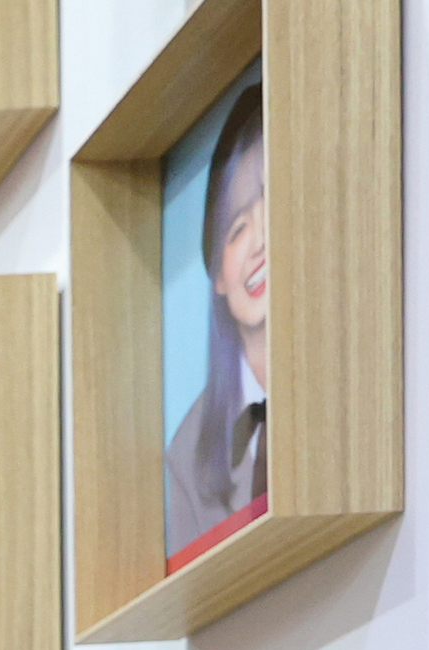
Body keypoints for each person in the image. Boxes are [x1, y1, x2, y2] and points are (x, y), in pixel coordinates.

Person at [163, 81, 268, 560]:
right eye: (238, 228)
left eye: (274, 208)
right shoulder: (184, 457)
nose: (259, 245)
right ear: (217, 276)